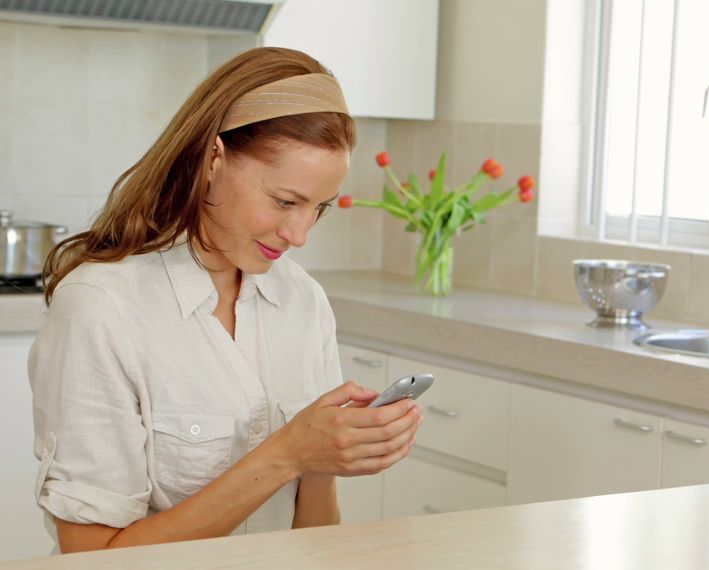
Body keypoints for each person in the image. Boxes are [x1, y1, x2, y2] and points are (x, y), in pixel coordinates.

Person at [27, 47, 422, 554]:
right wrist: (287, 453)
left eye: (317, 208)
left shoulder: (301, 300)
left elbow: (315, 543)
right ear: (213, 158)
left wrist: (325, 461)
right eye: (284, 201)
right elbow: (92, 555)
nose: (299, 234)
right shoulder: (102, 307)